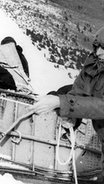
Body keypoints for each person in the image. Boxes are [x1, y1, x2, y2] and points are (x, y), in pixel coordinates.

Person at [27, 26, 104, 180]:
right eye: (98, 46)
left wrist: (60, 102)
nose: (99, 52)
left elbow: (100, 106)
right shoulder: (94, 63)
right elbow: (80, 90)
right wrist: (71, 119)